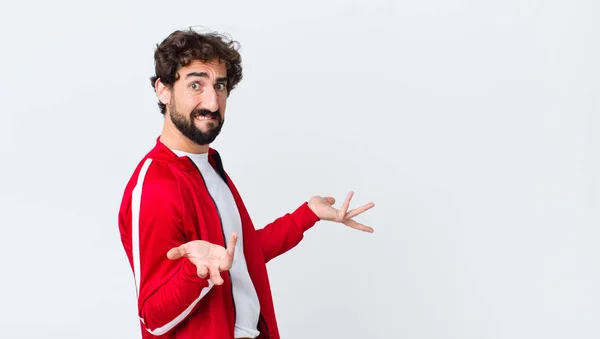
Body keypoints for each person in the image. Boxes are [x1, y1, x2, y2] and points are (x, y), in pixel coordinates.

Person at [117, 27, 375, 339]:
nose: (212, 102)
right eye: (195, 85)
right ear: (163, 90)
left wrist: (306, 214)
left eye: (220, 86)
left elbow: (241, 256)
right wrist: (196, 273)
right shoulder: (156, 185)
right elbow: (153, 317)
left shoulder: (210, 166)